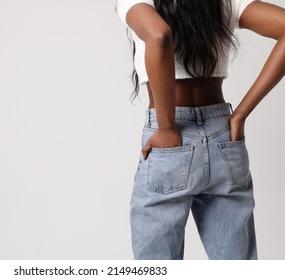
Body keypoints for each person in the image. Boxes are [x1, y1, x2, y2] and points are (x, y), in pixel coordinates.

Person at [115, 0, 285, 260]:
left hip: (172, 137)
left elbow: (159, 35)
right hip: (223, 136)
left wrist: (167, 126)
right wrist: (239, 114)